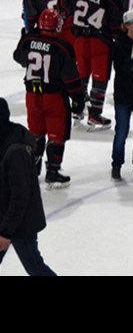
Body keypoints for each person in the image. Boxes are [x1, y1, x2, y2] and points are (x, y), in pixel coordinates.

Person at [13, 10, 85, 190]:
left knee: (36, 133)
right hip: (54, 98)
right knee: (57, 134)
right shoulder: (62, 46)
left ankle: (32, 168)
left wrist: (24, 39)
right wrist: (78, 98)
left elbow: (18, 58)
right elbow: (70, 77)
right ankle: (52, 171)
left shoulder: (29, 41)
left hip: (32, 96)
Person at [0, 98, 56, 276]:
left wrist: (6, 233)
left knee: (35, 267)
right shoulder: (4, 140)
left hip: (20, 223)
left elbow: (20, 196)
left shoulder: (16, 150)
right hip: (6, 219)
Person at [64, 0, 123, 130]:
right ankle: (94, 115)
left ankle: (76, 110)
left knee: (81, 77)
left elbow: (67, 6)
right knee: (100, 79)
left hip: (79, 42)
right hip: (100, 45)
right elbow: (115, 29)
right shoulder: (113, 1)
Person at [110, 10, 133, 181]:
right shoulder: (118, 45)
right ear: (126, 26)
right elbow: (121, 68)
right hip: (124, 97)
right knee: (122, 132)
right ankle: (116, 164)